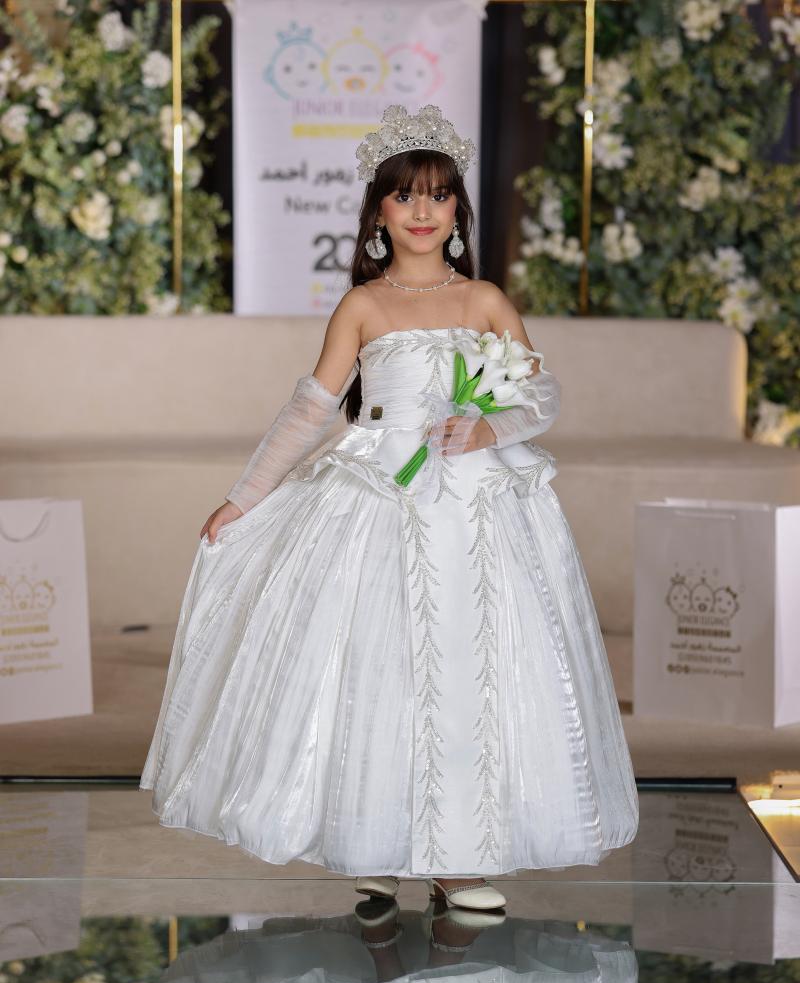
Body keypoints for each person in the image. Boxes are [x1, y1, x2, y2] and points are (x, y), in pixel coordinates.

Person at [139, 103, 639, 914]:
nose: (421, 211)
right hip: (379, 492)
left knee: (470, 665)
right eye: (404, 196)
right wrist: (242, 497)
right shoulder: (364, 306)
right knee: (377, 667)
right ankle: (374, 841)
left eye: (438, 195)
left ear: (458, 210)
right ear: (378, 213)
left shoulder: (484, 299)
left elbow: (540, 393)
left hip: (475, 502)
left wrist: (488, 428)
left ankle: (457, 856)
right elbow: (310, 409)